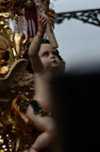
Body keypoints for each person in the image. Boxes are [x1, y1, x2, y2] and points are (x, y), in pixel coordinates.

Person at [21, 15, 62, 150]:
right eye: (46, 54)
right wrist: (39, 33)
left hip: (49, 113)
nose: (52, 57)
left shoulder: (56, 75)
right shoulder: (40, 71)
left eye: (54, 54)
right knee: (52, 129)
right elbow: (32, 54)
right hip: (37, 110)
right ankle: (34, 149)